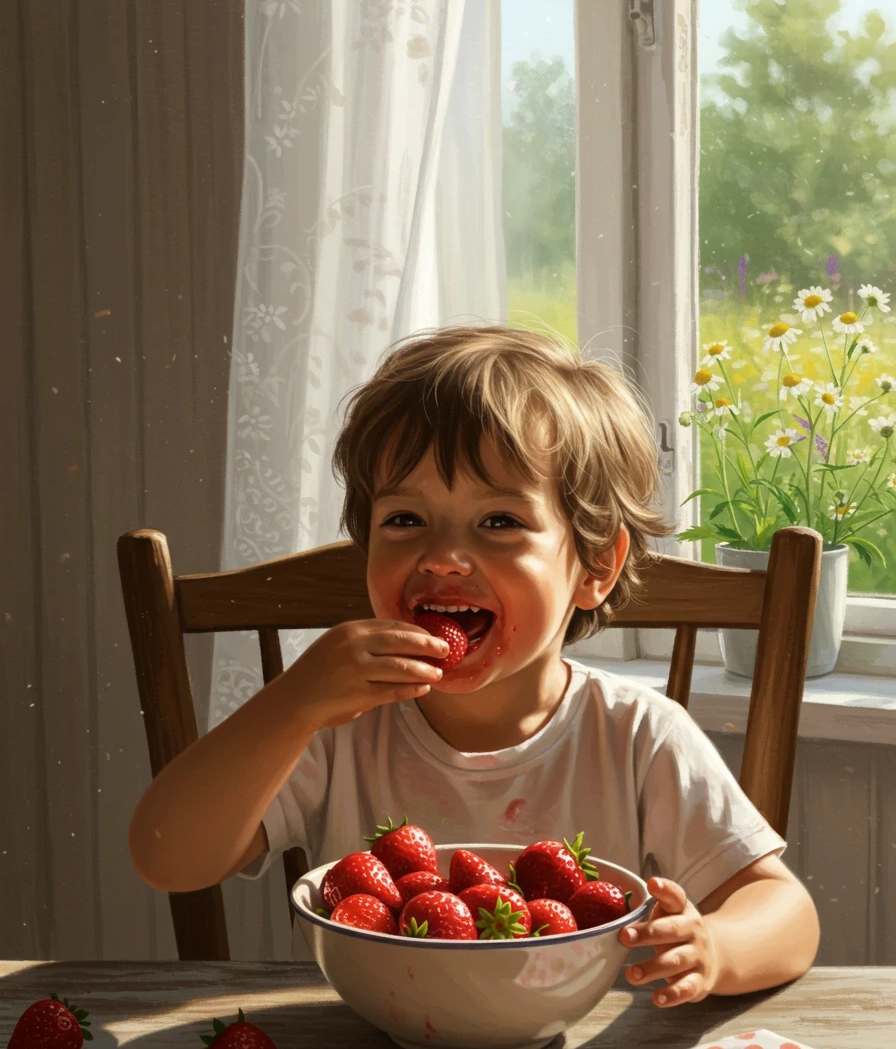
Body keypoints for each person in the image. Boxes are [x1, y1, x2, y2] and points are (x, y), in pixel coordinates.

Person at [129, 325, 820, 1006]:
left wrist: (715, 948)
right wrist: (292, 702)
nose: (441, 557)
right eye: (404, 520)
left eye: (498, 522)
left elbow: (786, 912)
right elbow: (168, 857)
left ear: (596, 568)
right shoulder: (334, 724)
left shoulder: (637, 735)